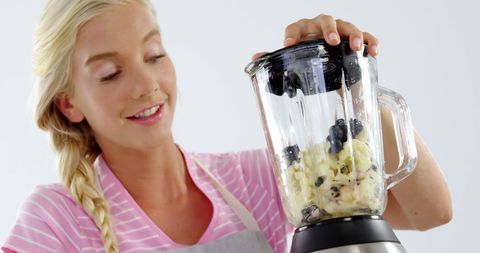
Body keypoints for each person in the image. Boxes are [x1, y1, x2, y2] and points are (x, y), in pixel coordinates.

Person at [2, 0, 452, 252]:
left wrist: (354, 86)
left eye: (154, 55)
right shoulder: (57, 221)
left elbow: (428, 212)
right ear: (68, 102)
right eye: (109, 74)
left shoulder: (259, 181)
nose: (146, 85)